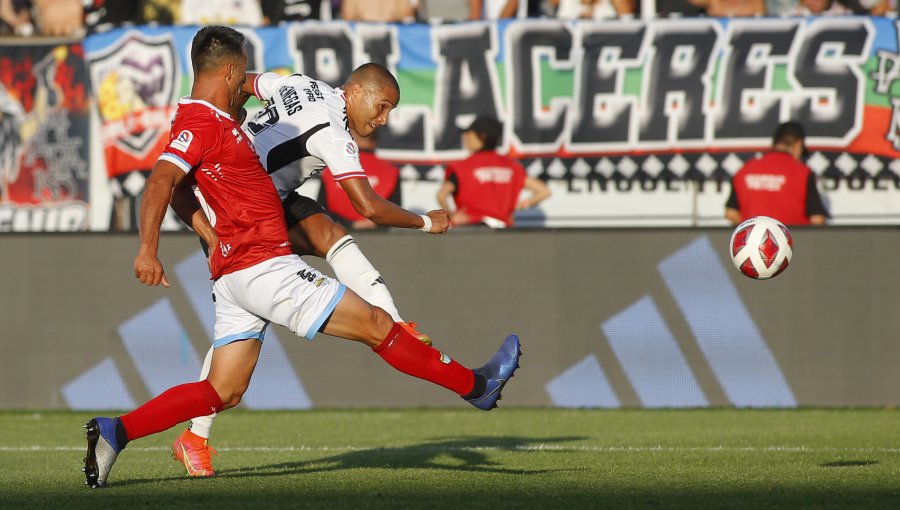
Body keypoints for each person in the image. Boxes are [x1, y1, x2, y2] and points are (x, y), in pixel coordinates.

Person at [82, 25, 522, 490]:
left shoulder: (234, 109)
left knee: (222, 390)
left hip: (233, 270)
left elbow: (183, 181)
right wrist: (148, 250)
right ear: (228, 72)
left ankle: (117, 431)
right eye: (383, 107)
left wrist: (209, 233)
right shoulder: (209, 124)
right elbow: (161, 183)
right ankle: (476, 384)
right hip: (264, 264)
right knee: (375, 325)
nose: (244, 90)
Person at [170, 64, 441, 477]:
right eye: (382, 106)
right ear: (353, 92)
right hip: (237, 208)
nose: (384, 118)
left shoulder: (299, 83)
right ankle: (194, 435)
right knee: (249, 319)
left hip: (255, 196)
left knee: (324, 237)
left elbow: (242, 81)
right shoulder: (331, 129)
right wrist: (425, 222)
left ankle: (194, 438)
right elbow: (367, 206)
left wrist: (234, 120)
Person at [437, 115, 551, 228]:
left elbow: (441, 195)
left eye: (469, 134)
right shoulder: (512, 167)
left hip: (470, 230)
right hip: (502, 232)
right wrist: (519, 206)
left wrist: (451, 217)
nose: (465, 137)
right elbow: (544, 191)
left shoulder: (462, 167)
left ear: (482, 136)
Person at [725, 121, 828, 227]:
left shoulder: (744, 170)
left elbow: (731, 213)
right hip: (793, 240)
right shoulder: (803, 172)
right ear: (798, 144)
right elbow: (817, 219)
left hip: (753, 241)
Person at [318, 132, 402, 230]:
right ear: (376, 140)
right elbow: (395, 216)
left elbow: (319, 213)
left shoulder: (330, 170)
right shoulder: (391, 172)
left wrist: (350, 224)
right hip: (378, 239)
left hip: (338, 238)